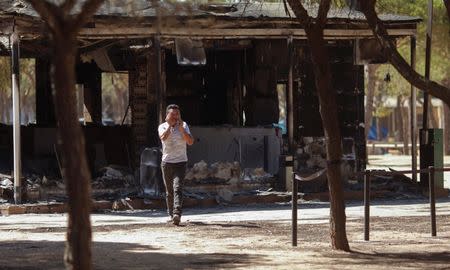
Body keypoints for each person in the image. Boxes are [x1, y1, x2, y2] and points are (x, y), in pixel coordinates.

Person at [158, 104, 194, 225]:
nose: (175, 117)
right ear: (167, 116)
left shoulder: (184, 126)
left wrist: (181, 129)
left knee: (177, 187)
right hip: (167, 162)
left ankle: (177, 213)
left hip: (181, 162)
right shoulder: (162, 127)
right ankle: (170, 213)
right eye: (173, 114)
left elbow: (190, 142)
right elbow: (163, 138)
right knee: (169, 191)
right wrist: (170, 126)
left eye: (177, 114)